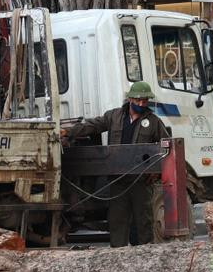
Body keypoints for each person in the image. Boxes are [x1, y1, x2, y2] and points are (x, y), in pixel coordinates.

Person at [60, 81, 170, 247]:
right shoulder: (114, 116)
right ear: (130, 99)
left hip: (140, 181)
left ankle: (147, 256)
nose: (141, 104)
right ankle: (117, 254)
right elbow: (93, 126)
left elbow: (166, 147)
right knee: (117, 221)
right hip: (118, 180)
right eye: (138, 100)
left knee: (144, 221)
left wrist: (157, 171)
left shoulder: (153, 122)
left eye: (144, 101)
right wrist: (69, 131)